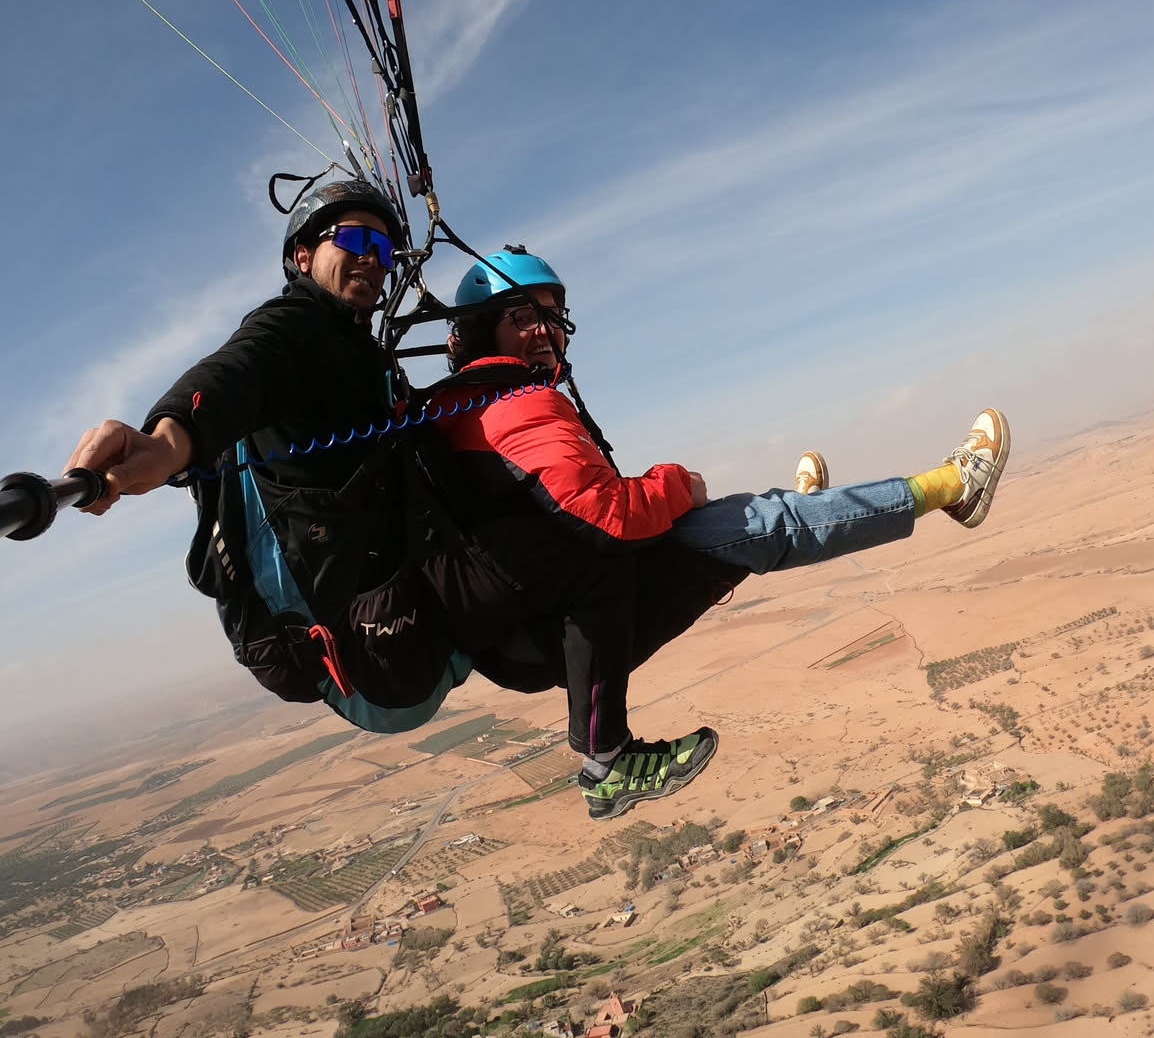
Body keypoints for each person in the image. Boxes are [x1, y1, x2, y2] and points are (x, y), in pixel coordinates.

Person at [62, 182, 721, 815]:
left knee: (554, 541)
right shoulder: (296, 330)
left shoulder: (356, 351)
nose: (374, 260)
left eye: (384, 248)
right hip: (363, 629)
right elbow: (239, 371)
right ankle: (607, 761)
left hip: (401, 595)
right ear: (302, 256)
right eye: (355, 240)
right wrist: (167, 441)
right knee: (586, 553)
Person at [426, 251, 1010, 801]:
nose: (544, 331)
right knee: (760, 523)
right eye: (522, 316)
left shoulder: (459, 407)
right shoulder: (517, 404)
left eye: (552, 317)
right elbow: (611, 517)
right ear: (482, 329)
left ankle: (806, 512)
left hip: (533, 627)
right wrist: (680, 483)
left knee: (749, 525)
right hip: (561, 628)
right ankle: (952, 488)